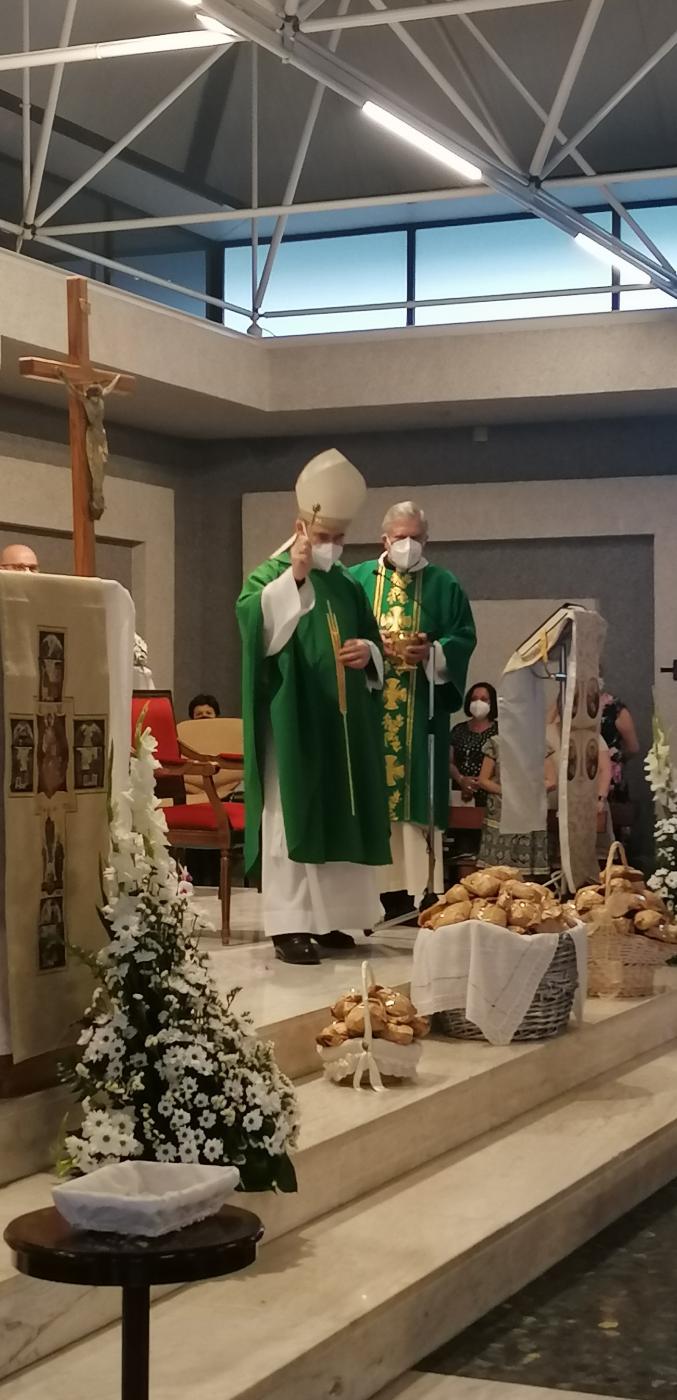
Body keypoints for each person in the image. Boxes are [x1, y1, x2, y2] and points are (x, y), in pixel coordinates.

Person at [237, 449, 391, 966]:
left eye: (339, 539)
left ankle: (328, 921)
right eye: (323, 538)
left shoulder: (347, 583)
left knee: (339, 810)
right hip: (295, 723)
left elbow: (374, 645)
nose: (331, 548)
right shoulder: (269, 577)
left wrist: (367, 654)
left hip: (343, 725)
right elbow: (256, 632)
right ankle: (289, 925)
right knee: (293, 819)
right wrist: (296, 579)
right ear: (300, 527)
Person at [350, 502, 476, 919]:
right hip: (369, 710)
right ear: (383, 539)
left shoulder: (444, 584)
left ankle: (419, 890)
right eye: (400, 536)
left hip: (420, 712)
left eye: (416, 537)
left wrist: (433, 652)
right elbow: (341, 634)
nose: (408, 544)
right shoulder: (357, 580)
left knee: (416, 797)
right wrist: (371, 648)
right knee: (371, 796)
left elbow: (463, 637)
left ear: (426, 540)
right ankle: (370, 892)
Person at [477, 734, 556, 877]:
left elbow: (551, 781)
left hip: (529, 811)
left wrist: (527, 791)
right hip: (501, 811)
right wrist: (508, 792)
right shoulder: (496, 743)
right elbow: (483, 780)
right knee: (496, 873)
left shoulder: (540, 744)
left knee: (528, 874)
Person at [450, 683, 499, 804]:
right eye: (474, 699)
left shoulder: (500, 731)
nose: (478, 703)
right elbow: (449, 762)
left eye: (483, 699)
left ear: (491, 703)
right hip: (461, 794)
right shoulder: (458, 729)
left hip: (491, 795)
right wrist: (461, 779)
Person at [600, 684, 639, 802]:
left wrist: (616, 759)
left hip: (609, 776)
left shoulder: (615, 709)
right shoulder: (570, 704)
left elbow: (633, 748)